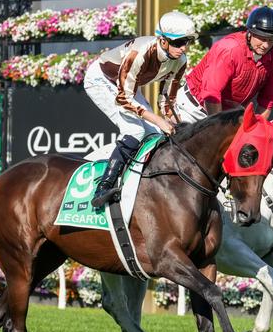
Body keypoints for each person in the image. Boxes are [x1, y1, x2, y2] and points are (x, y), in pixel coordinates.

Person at [84, 11, 197, 208]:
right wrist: (159, 119)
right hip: (101, 80)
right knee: (135, 131)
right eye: (179, 42)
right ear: (163, 40)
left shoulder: (180, 60)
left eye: (188, 42)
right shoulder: (141, 52)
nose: (184, 48)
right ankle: (103, 188)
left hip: (127, 87)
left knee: (154, 135)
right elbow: (123, 98)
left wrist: (177, 125)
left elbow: (167, 99)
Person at [176, 6, 273, 124]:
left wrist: (255, 128)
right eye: (262, 38)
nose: (266, 45)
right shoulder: (229, 49)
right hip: (192, 110)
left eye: (271, 40)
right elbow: (211, 93)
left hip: (228, 116)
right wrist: (218, 128)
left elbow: (267, 100)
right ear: (249, 33)